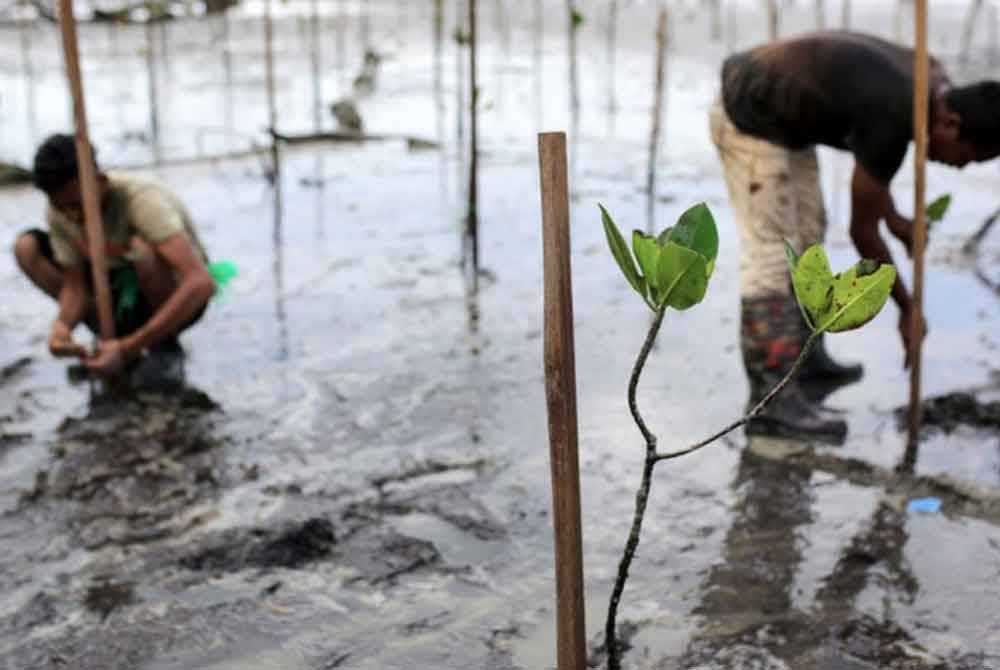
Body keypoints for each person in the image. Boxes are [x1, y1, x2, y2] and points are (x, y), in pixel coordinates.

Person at [710, 31, 1000, 441]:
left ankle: (805, 361)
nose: (960, 167)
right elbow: (863, 234)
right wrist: (907, 307)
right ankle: (770, 403)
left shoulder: (933, 83)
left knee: (808, 238)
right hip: (749, 111)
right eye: (967, 157)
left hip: (788, 121)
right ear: (951, 123)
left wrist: (895, 218)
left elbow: (872, 185)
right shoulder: (895, 114)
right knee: (773, 255)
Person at [13, 134, 215, 384]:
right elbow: (74, 285)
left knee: (143, 252)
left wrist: (129, 347)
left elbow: (200, 283)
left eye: (77, 205)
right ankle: (111, 341)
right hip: (112, 291)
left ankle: (160, 344)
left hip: (170, 293)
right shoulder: (61, 210)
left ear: (100, 181)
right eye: (62, 207)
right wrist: (62, 327)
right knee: (27, 248)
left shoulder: (142, 200)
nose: (72, 216)